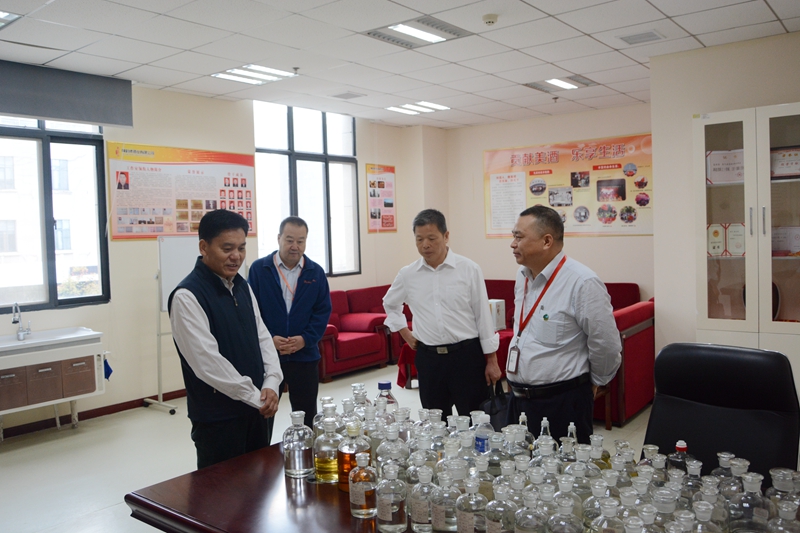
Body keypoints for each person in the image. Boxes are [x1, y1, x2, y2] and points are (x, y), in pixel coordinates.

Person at [169, 209, 283, 469]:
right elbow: (207, 363)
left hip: (258, 410)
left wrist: (272, 382)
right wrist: (256, 396)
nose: (236, 256)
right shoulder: (187, 296)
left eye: (241, 248)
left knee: (261, 483)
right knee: (223, 490)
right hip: (219, 419)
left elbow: (262, 337)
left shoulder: (242, 285)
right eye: (227, 248)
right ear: (204, 247)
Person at [506, 205, 621, 443]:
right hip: (518, 401)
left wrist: (596, 382)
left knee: (565, 466)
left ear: (547, 241)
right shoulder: (523, 276)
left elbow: (606, 344)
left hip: (562, 403)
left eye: (519, 237)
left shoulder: (582, 282)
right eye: (513, 236)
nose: (512, 244)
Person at [383, 209, 501, 415]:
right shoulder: (408, 274)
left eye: (431, 238)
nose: (425, 245)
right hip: (429, 360)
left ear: (446, 236)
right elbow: (390, 304)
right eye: (419, 239)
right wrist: (404, 332)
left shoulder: (469, 269)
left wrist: (492, 360)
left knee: (474, 419)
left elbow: (483, 316)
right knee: (434, 421)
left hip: (466, 357)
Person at [248, 216, 331, 429]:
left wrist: (305, 339)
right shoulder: (259, 269)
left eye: (300, 241)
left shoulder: (315, 272)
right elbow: (251, 312)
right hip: (268, 356)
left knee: (306, 414)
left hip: (304, 356)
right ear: (279, 238)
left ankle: (306, 449)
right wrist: (269, 339)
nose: (295, 246)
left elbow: (322, 311)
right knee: (262, 413)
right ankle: (262, 450)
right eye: (289, 240)